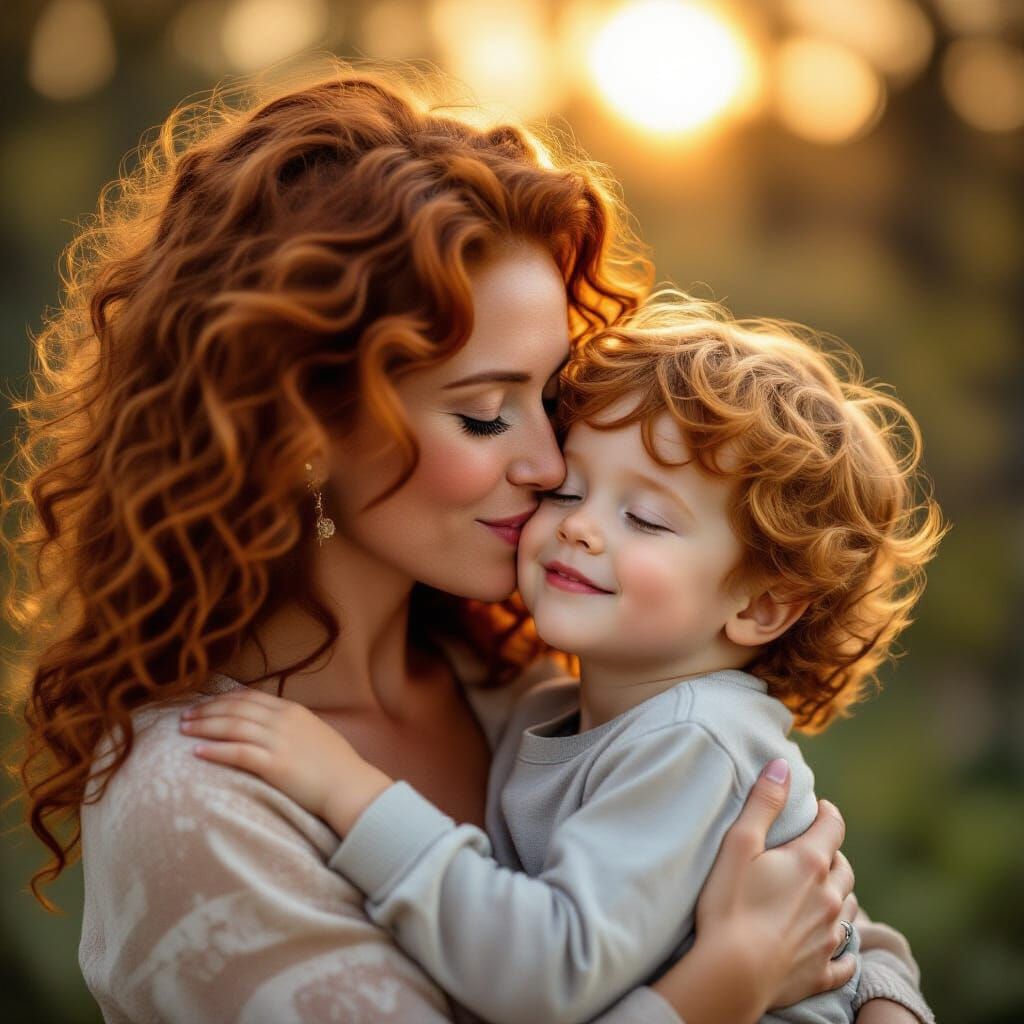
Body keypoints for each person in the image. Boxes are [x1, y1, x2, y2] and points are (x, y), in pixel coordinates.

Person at [4, 63, 931, 1023]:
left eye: (550, 398)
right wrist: (718, 991)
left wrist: (878, 998)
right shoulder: (198, 801)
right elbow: (742, 946)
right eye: (487, 416)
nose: (548, 462)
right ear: (303, 430)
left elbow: (822, 910)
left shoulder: (527, 689)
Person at [181, 295, 945, 1024]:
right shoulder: (547, 705)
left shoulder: (693, 743)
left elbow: (550, 973)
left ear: (760, 607)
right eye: (570, 489)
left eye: (644, 517)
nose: (579, 526)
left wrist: (351, 792)